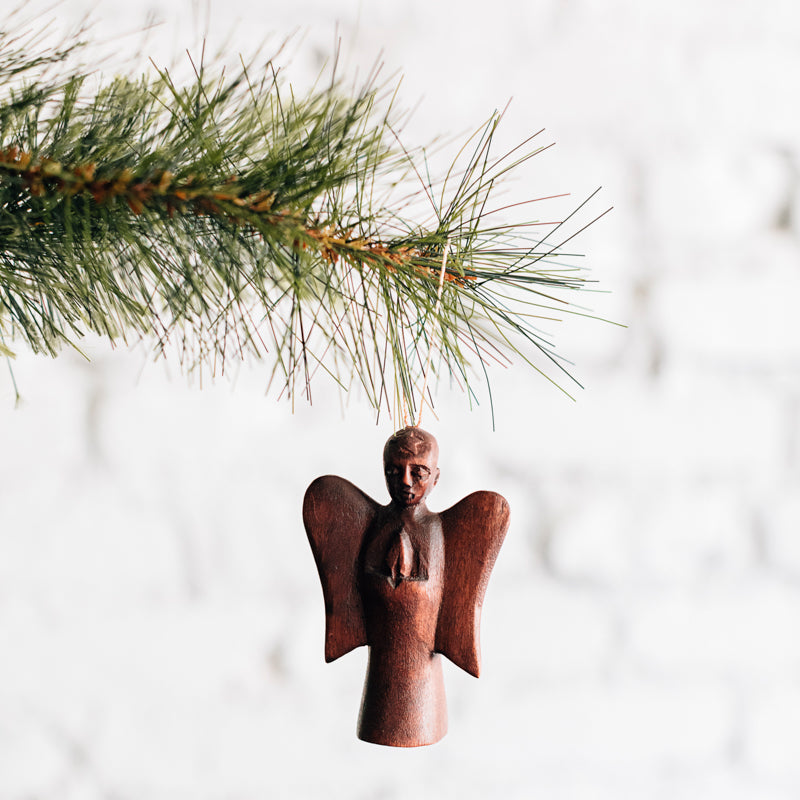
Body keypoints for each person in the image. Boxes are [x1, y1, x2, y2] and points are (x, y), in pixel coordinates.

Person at [304, 426, 509, 747]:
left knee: (421, 699)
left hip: (421, 650)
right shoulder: (368, 524)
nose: (405, 482)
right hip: (384, 647)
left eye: (419, 472)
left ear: (437, 477)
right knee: (381, 699)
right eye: (394, 471)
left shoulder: (441, 532)